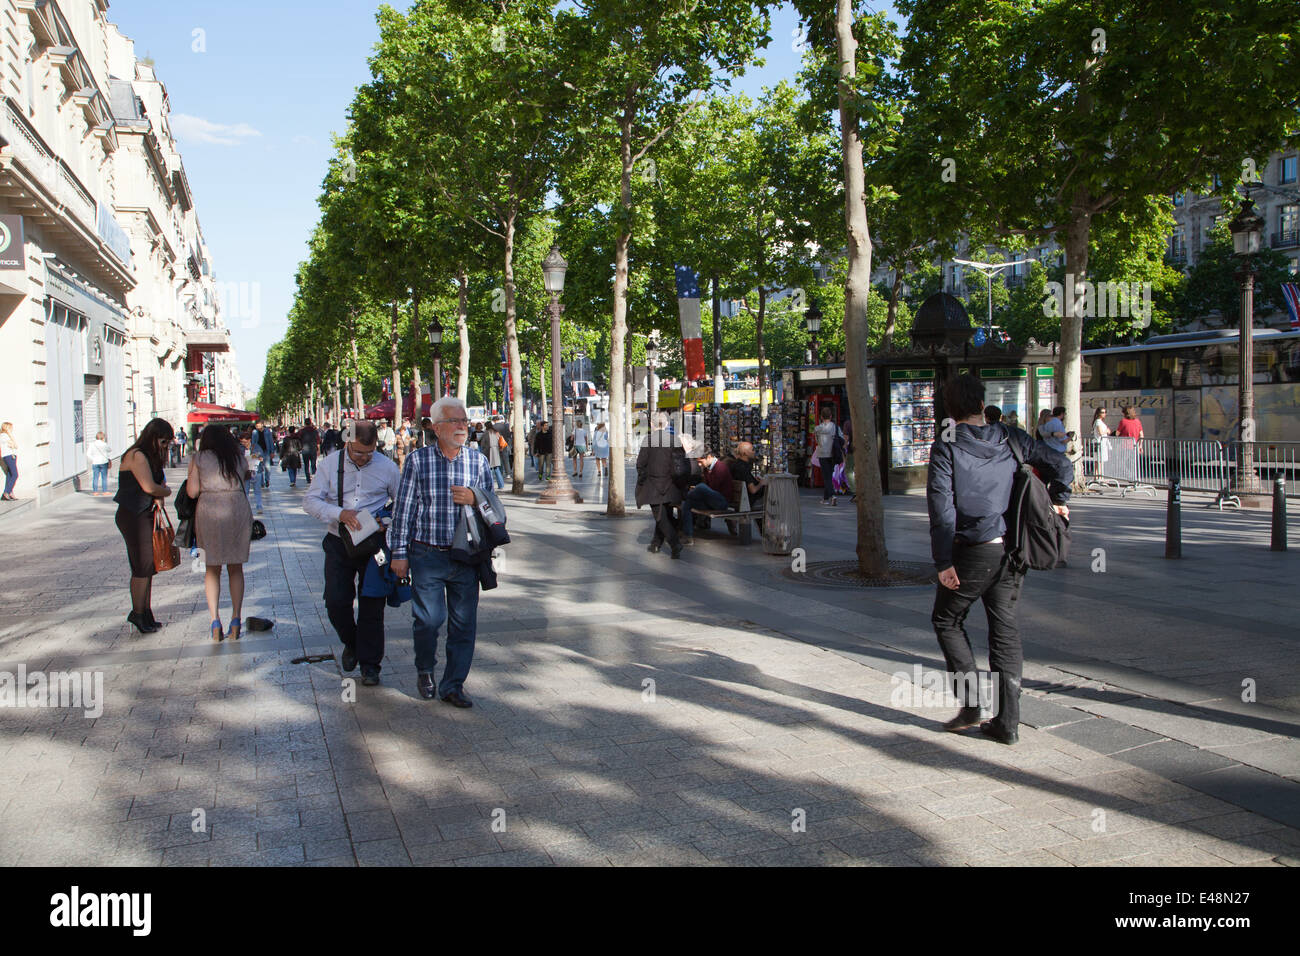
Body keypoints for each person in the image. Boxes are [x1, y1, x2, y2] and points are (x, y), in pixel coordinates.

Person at [927, 374, 1073, 746]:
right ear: (981, 404)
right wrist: (1061, 497)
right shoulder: (1013, 437)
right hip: (1013, 549)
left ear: (949, 409)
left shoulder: (946, 446)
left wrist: (944, 562)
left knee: (947, 620)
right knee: (1005, 632)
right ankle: (1007, 722)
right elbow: (1061, 464)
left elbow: (941, 508)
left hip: (973, 548)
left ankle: (973, 704)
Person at [389, 397, 492, 705]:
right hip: (427, 554)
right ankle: (425, 669)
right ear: (436, 427)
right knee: (429, 620)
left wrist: (475, 497)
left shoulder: (478, 461)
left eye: (464, 421)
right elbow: (403, 510)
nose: (463, 426)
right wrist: (399, 553)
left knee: (463, 624)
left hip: (466, 555)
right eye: (455, 421)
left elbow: (493, 507)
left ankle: (453, 685)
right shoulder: (418, 461)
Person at [304, 420, 402, 687]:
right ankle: (352, 642)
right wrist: (340, 514)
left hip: (374, 545)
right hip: (338, 542)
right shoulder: (329, 464)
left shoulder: (387, 467)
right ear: (347, 442)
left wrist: (386, 520)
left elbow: (402, 504)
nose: (363, 458)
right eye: (358, 452)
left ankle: (371, 665)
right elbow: (310, 501)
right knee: (336, 601)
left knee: (372, 605)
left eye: (369, 453)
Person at [187, 424, 254, 642]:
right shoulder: (237, 457)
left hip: (209, 510)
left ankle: (215, 621)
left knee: (211, 569)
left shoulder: (198, 459)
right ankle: (236, 619)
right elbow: (246, 479)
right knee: (236, 568)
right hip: (237, 508)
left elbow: (192, 491)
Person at [114, 418, 174, 633]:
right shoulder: (137, 455)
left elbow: (158, 484)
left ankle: (145, 611)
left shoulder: (148, 457)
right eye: (164, 441)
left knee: (148, 567)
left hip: (144, 514)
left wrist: (161, 490)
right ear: (153, 437)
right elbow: (150, 487)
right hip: (133, 515)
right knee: (141, 566)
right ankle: (138, 613)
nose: (166, 446)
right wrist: (164, 491)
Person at [636, 412, 686, 558]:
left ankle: (674, 543)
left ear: (652, 424)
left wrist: (642, 480)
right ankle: (656, 543)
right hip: (671, 485)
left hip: (653, 485)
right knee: (665, 513)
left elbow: (640, 464)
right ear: (665, 424)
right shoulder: (674, 440)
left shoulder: (648, 440)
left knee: (660, 517)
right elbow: (682, 464)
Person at [680, 446, 731, 545]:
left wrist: (697, 491)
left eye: (700, 461)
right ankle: (688, 536)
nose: (699, 465)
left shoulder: (721, 467)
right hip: (710, 500)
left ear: (708, 457)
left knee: (701, 487)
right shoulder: (707, 468)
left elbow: (713, 488)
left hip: (721, 501)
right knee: (688, 503)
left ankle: (687, 495)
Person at [727, 442, 768, 512]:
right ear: (745, 453)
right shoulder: (743, 468)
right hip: (752, 501)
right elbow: (753, 490)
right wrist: (761, 483)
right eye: (752, 450)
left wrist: (755, 480)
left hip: (740, 499)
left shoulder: (735, 465)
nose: (754, 452)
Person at [813, 406, 841, 505]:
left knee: (826, 477)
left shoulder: (817, 429)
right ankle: (825, 498)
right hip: (832, 454)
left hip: (822, 454)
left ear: (821, 417)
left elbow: (817, 441)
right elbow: (841, 439)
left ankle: (832, 495)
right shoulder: (835, 427)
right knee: (828, 476)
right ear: (831, 416)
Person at [241, 433, 264, 514]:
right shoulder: (240, 448)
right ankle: (246, 507)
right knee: (245, 491)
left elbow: (261, 455)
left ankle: (259, 506)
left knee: (257, 490)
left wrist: (256, 457)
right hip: (245, 471)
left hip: (256, 470)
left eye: (245, 442)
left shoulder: (256, 446)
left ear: (249, 440)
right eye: (242, 442)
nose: (243, 444)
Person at [86, 431, 113, 496]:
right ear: (103, 437)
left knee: (95, 477)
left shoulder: (92, 444)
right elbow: (110, 450)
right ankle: (104, 491)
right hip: (104, 462)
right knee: (104, 477)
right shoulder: (104, 444)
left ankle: (95, 491)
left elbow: (88, 454)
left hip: (95, 463)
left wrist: (93, 459)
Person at [252, 421, 276, 489]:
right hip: (258, 452)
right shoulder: (254, 432)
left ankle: (267, 480)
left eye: (258, 425)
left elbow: (271, 441)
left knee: (267, 467)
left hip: (266, 451)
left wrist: (272, 452)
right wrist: (252, 452)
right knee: (259, 468)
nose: (258, 427)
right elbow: (253, 442)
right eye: (256, 426)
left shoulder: (267, 431)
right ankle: (261, 482)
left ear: (262, 425)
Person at [485, 421, 506, 489]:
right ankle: (501, 484)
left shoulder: (486, 433)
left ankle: (490, 485)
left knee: (490, 469)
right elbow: (500, 439)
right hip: (496, 451)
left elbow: (483, 443)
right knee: (497, 468)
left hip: (489, 451)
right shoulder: (496, 432)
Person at [299, 419, 320, 484]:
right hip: (313, 449)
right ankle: (314, 477)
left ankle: (308, 478)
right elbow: (318, 441)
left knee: (306, 465)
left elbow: (298, 439)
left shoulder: (301, 431)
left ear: (305, 423)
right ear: (311, 423)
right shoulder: (315, 431)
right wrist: (319, 449)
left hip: (305, 449)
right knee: (313, 464)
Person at [1, 422, 18, 500]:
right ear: (6, 428)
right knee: (15, 474)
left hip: (11, 456)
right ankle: (6, 492)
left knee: (10, 474)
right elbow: (15, 445)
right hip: (9, 456)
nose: (12, 429)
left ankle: (9, 492)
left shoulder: (5, 436)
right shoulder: (3, 436)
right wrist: (10, 434)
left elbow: (14, 446)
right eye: (10, 428)